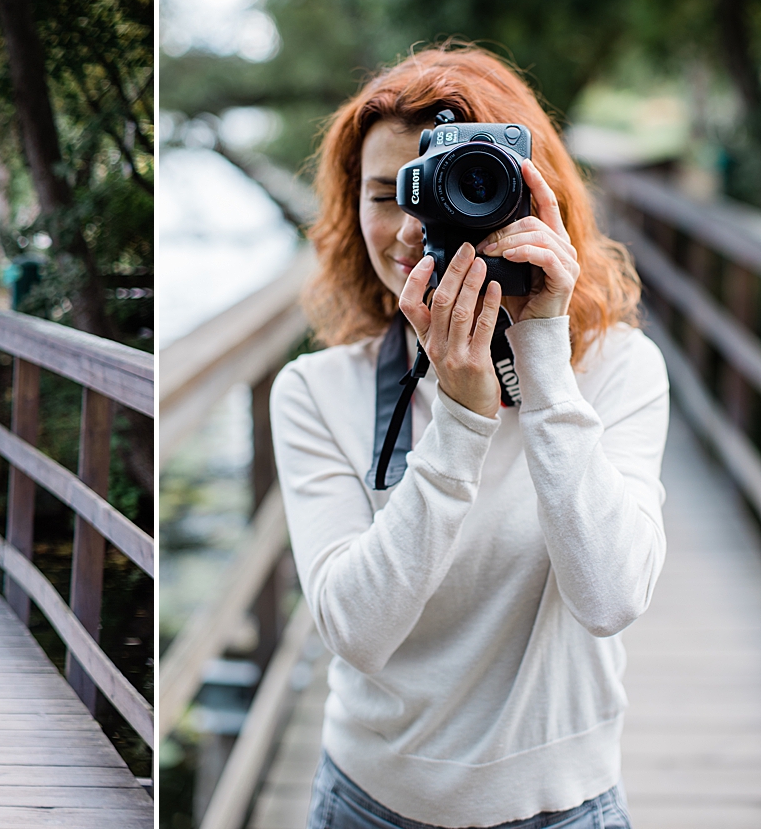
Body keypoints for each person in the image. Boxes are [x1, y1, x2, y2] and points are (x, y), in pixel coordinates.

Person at [269, 44, 665, 829]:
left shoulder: (618, 368)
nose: (418, 223)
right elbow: (354, 630)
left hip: (566, 807)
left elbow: (612, 596)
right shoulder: (316, 390)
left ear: (537, 197)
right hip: (369, 806)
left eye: (467, 187)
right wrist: (460, 414)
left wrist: (544, 357)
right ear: (350, 213)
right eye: (391, 194)